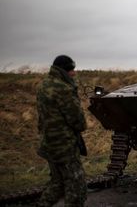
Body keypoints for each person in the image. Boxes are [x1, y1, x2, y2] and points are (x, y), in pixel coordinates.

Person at [36, 55, 87, 207]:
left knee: (57, 183)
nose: (74, 73)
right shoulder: (63, 89)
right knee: (76, 185)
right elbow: (77, 120)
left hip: (48, 143)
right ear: (63, 70)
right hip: (64, 145)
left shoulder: (43, 85)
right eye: (71, 70)